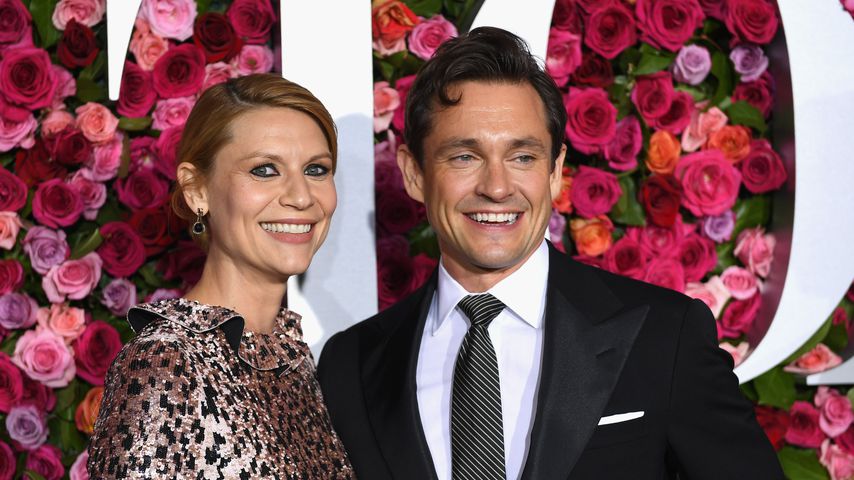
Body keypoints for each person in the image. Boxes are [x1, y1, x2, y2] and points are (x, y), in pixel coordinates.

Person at [317, 28, 783, 479]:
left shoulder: (664, 336)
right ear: (414, 173)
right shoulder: (353, 365)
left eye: (522, 157)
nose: (497, 187)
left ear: (556, 170)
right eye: (465, 157)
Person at [88, 74, 354, 479]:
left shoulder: (293, 358)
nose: (301, 196)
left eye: (317, 169)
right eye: (265, 170)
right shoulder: (167, 361)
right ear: (197, 191)